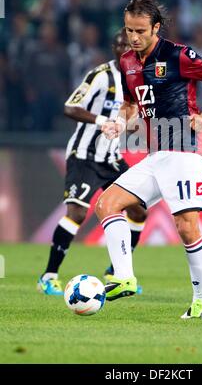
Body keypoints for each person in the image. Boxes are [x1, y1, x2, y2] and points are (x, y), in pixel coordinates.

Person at [95, 0, 202, 319]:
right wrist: (121, 122)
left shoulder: (176, 54)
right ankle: (124, 277)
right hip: (156, 154)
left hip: (187, 148)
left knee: (186, 227)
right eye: (129, 30)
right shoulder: (128, 62)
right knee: (107, 204)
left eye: (140, 30)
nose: (133, 37)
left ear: (156, 27)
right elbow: (132, 104)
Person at [37, 29, 147, 295]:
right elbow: (69, 107)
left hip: (110, 158)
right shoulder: (100, 76)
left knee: (139, 211)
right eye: (119, 44)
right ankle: (48, 276)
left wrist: (131, 127)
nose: (124, 49)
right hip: (84, 155)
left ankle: (116, 272)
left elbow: (133, 119)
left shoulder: (137, 78)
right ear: (113, 48)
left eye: (129, 45)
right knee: (77, 213)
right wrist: (102, 121)